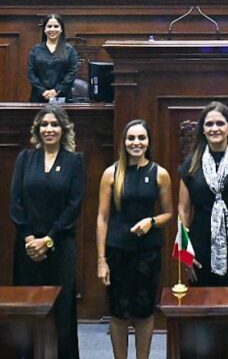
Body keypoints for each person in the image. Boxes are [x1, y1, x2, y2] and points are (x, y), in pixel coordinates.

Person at [10, 106, 85, 359]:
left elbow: (74, 206)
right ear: (37, 129)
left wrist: (49, 240)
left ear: (63, 129)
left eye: (54, 124)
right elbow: (15, 202)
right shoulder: (25, 158)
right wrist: (30, 238)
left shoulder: (74, 161)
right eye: (44, 124)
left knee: (60, 311)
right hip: (28, 247)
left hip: (60, 246)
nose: (49, 129)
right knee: (28, 306)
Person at [95, 119, 174, 359]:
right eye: (131, 138)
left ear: (148, 142)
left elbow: (169, 213)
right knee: (118, 313)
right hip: (117, 252)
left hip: (147, 254)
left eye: (141, 138)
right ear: (124, 142)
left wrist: (152, 221)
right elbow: (102, 218)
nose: (136, 143)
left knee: (144, 312)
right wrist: (101, 260)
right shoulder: (111, 173)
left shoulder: (160, 174)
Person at [178, 101, 228, 287]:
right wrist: (184, 250)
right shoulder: (191, 164)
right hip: (199, 246)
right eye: (209, 124)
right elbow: (183, 210)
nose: (214, 128)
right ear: (203, 129)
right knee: (202, 302)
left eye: (220, 123)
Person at [28, 13, 79, 102]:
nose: (52, 29)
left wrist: (56, 90)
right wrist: (43, 91)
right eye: (49, 26)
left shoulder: (70, 50)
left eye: (56, 26)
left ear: (61, 29)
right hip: (39, 97)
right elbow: (31, 73)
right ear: (44, 29)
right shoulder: (35, 50)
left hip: (62, 97)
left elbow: (71, 73)